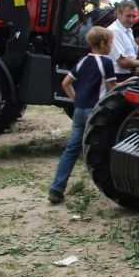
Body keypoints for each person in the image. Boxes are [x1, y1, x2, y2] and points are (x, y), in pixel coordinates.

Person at [48, 27, 116, 204]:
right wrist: (129, 83)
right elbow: (112, 90)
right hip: (94, 112)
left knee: (71, 150)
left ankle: (56, 189)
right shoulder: (106, 63)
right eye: (110, 43)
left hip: (79, 110)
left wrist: (76, 100)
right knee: (106, 148)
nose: (111, 46)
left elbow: (66, 83)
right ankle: (115, 187)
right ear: (102, 43)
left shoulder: (82, 61)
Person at [108, 0, 139, 81]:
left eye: (134, 16)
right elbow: (122, 62)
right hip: (117, 78)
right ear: (118, 14)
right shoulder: (114, 31)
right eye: (128, 16)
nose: (131, 20)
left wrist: (136, 66)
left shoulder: (128, 30)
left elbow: (130, 55)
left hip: (127, 75)